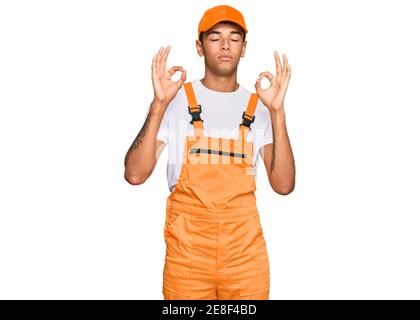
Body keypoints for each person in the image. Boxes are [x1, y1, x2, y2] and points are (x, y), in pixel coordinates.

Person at [124, 4, 295, 300]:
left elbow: (283, 185)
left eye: (234, 38)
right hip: (187, 257)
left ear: (244, 48)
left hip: (244, 258)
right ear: (199, 47)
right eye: (215, 38)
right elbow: (135, 174)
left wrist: (278, 112)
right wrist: (158, 106)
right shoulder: (174, 102)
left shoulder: (262, 108)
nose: (225, 45)